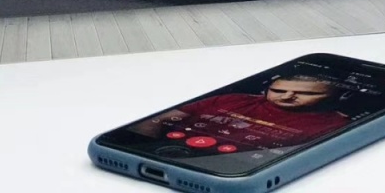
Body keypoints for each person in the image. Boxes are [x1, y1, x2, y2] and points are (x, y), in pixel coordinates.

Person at [130, 74, 350, 149]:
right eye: (278, 90)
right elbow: (158, 120)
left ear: (336, 97)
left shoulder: (336, 124)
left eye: (306, 93)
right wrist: (142, 145)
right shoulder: (233, 99)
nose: (286, 96)